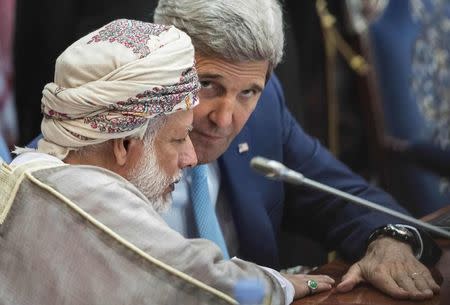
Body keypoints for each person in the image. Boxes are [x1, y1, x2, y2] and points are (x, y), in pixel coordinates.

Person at [1, 19, 336, 304]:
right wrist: (283, 285)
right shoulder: (88, 196)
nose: (190, 158)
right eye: (177, 139)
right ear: (125, 143)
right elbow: (215, 287)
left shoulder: (39, 170)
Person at [153, 0, 442, 300]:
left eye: (248, 92)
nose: (224, 119)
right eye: (208, 84)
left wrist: (389, 239)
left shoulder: (263, 110)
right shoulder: (119, 137)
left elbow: (342, 196)